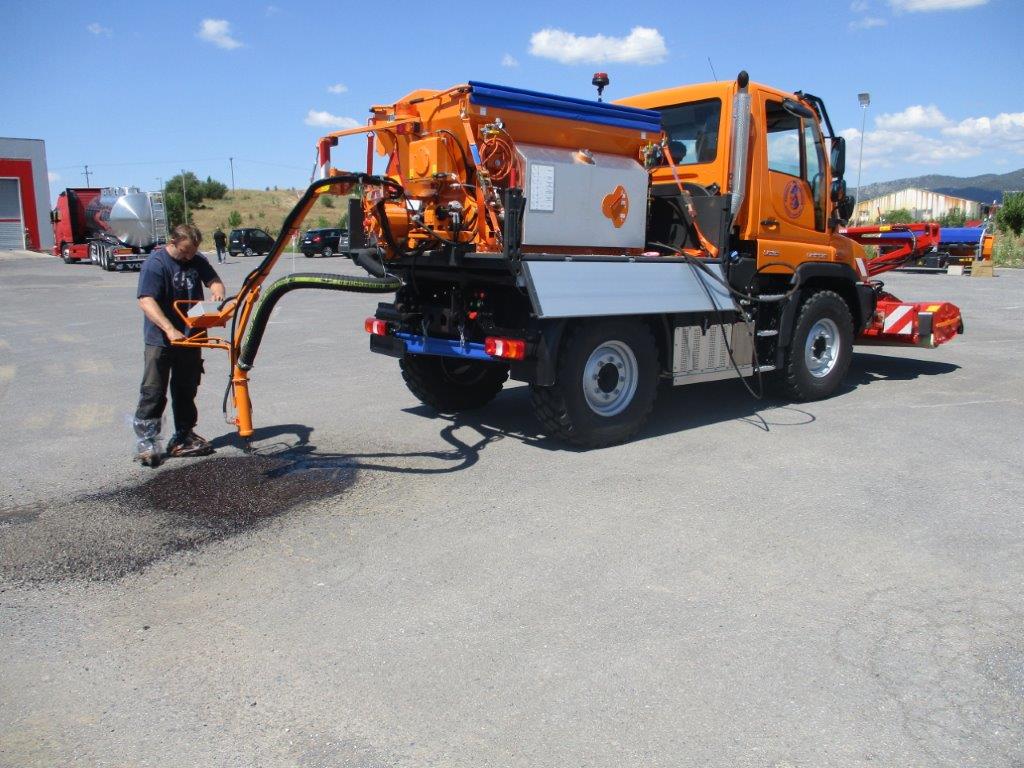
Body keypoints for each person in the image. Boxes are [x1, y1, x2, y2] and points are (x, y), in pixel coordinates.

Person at [133, 224, 226, 467]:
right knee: (153, 391)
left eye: (192, 252)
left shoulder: (196, 260)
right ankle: (148, 443)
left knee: (186, 389)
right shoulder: (156, 264)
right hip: (161, 340)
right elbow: (146, 300)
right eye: (184, 252)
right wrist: (170, 329)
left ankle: (183, 435)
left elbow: (214, 280)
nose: (188, 257)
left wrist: (217, 292)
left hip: (191, 336)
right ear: (172, 243)